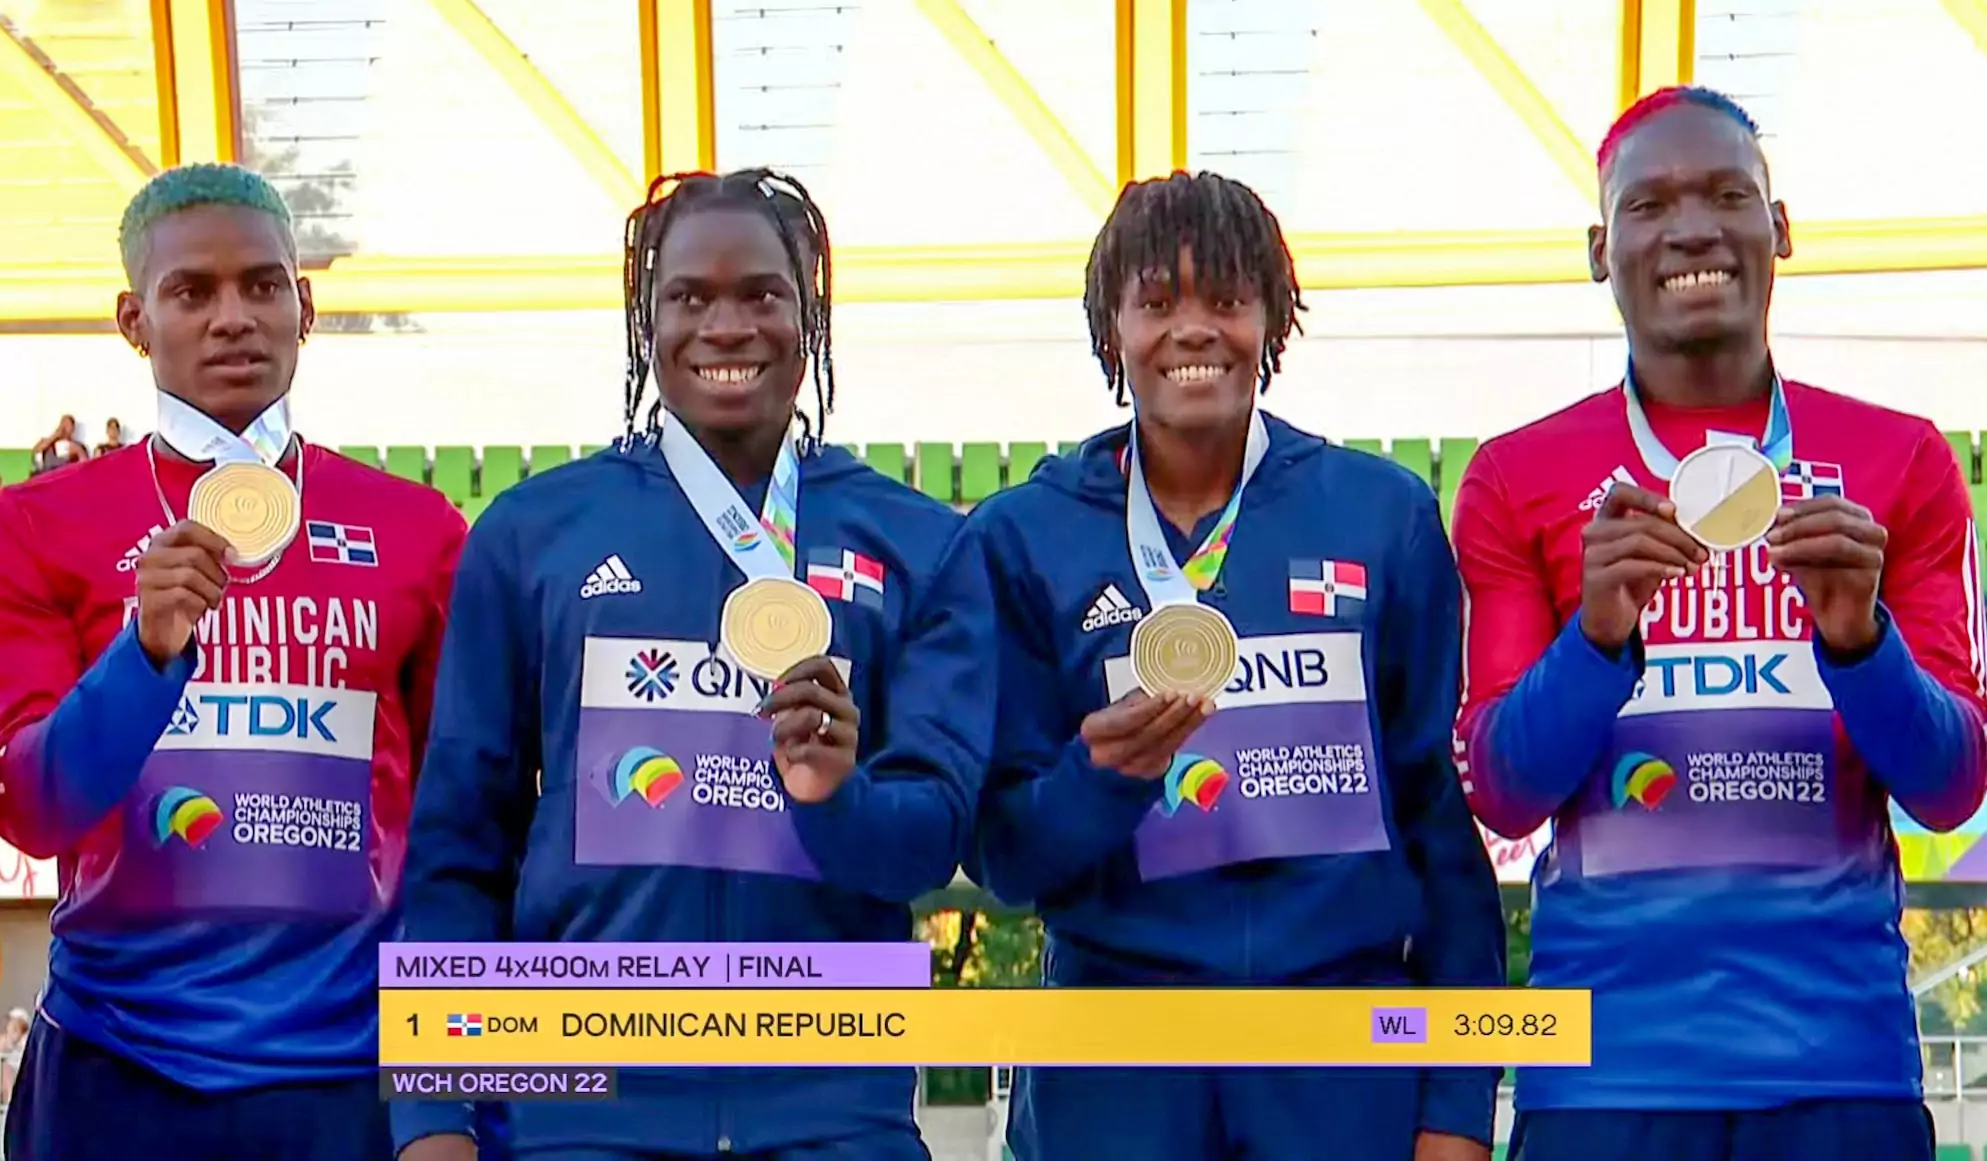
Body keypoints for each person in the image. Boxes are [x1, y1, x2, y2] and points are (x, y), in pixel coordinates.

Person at [391, 167, 996, 1161]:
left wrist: (836, 794)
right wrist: (431, 1115)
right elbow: (461, 845)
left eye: (763, 294)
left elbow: (930, 843)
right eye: (689, 297)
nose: (727, 326)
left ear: (811, 317)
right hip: (581, 1107)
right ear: (646, 321)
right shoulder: (533, 534)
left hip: (835, 1107)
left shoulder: (918, 544)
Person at [1452, 87, 1983, 1161]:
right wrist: (1596, 642)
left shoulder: (1904, 460)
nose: (1691, 227)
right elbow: (1499, 790)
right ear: (1601, 251)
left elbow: (1951, 786)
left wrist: (1857, 645)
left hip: (1841, 1069)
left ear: (1777, 228)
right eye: (1648, 205)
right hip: (1600, 1078)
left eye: (1726, 195)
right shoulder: (1517, 476)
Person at [964, 170, 1506, 1161]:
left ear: (1271, 316)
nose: (1194, 330)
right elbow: (1003, 858)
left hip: (1336, 1055)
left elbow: (1434, 815)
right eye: (1157, 303)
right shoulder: (1021, 539)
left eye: (1226, 298)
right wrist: (1096, 783)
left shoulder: (1379, 515)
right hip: (1115, 1066)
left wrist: (1458, 1103)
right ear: (1111, 328)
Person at [0, 163, 467, 1160]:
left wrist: (451, 1090)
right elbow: (35, 809)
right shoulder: (39, 526)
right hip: (114, 1071)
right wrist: (145, 652)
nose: (232, 318)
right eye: (191, 292)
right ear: (135, 320)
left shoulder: (416, 529)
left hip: (348, 1077)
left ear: (304, 304)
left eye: (262, 286)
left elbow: (456, 828)